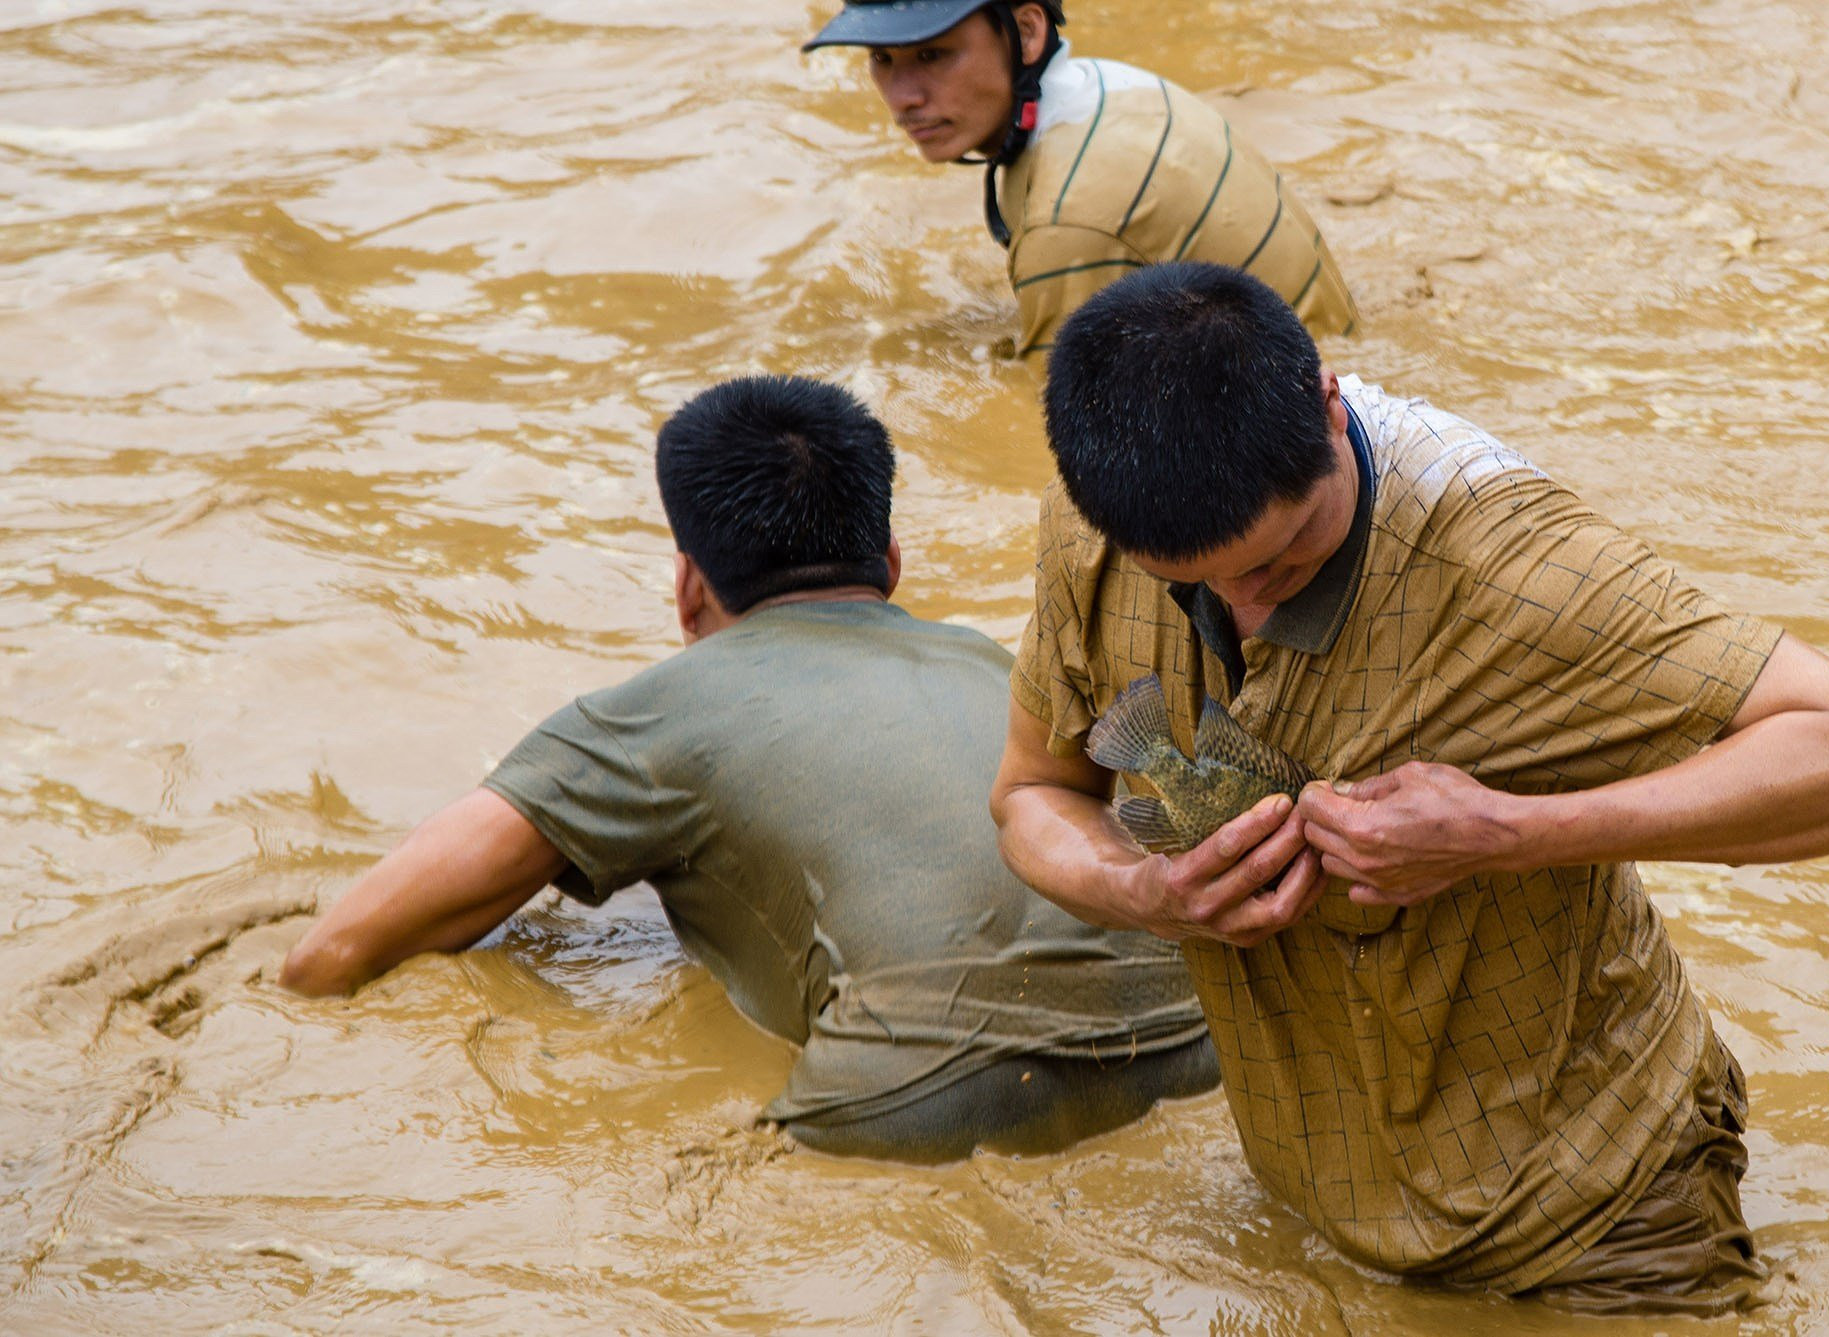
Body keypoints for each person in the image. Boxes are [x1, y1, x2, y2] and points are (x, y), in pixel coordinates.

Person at [990, 263, 1829, 1310]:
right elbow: (1032, 793)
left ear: (1326, 404)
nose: (1242, 603)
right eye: (1193, 581)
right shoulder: (1106, 516)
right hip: (1313, 1185)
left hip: (1597, 1221)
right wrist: (1147, 894)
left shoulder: (1513, 562)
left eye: (1277, 560)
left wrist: (1509, 830)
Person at [280, 375, 1218, 1162]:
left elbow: (334, 955)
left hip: (906, 1100)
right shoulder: (996, 665)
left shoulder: (647, 714)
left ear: (688, 586)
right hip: (1198, 1052)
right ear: (889, 563)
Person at [803, 0, 1357, 359]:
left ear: (1026, 32)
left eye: (932, 54)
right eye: (883, 58)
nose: (903, 98)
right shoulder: (1107, 85)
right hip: (1328, 363)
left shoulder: (1065, 216)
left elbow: (1056, 433)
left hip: (1293, 421)